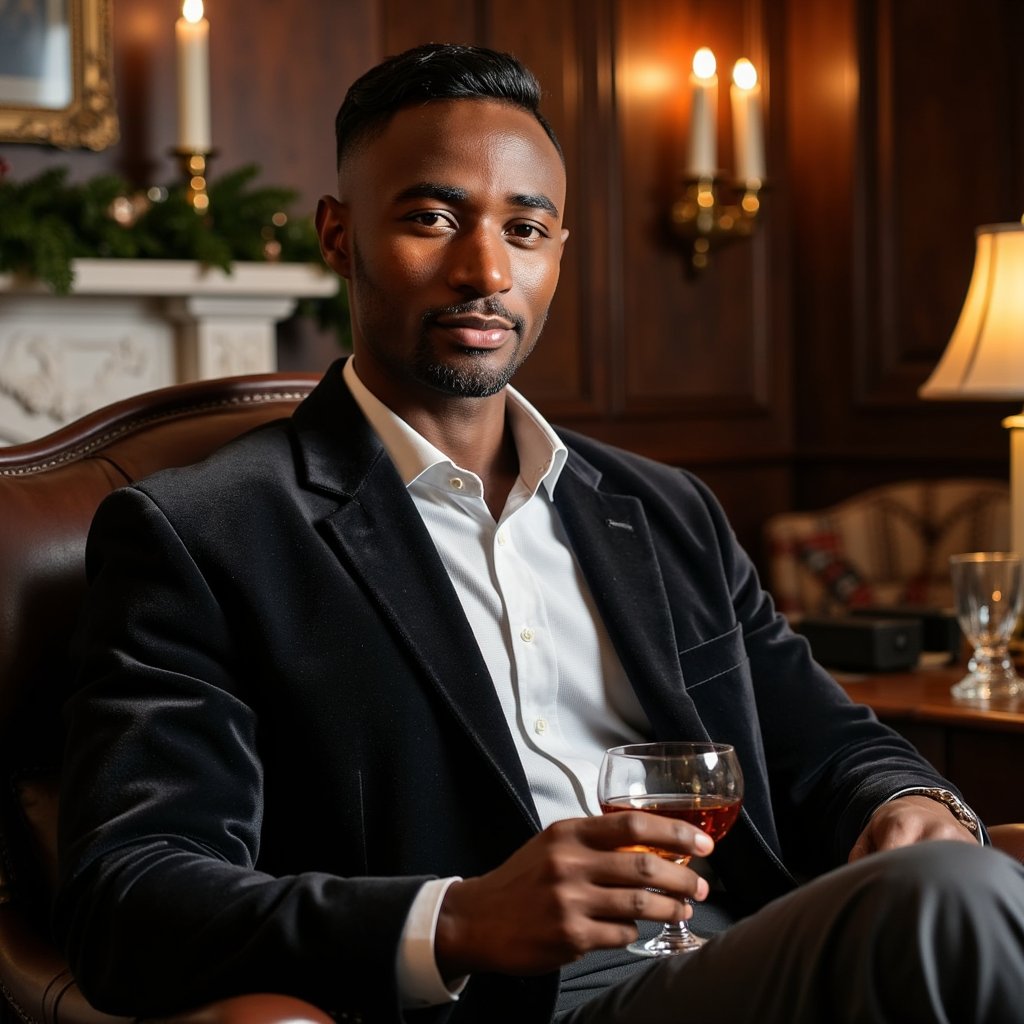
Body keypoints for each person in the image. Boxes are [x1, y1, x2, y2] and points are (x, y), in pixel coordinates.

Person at [55, 42, 1024, 1024]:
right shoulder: (198, 534)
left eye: (524, 228)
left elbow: (825, 741)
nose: (485, 270)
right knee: (962, 904)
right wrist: (459, 918)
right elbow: (132, 895)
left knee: (953, 879)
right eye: (433, 218)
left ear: (559, 253)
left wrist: (917, 805)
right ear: (339, 236)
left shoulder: (664, 510)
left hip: (739, 955)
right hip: (484, 1004)